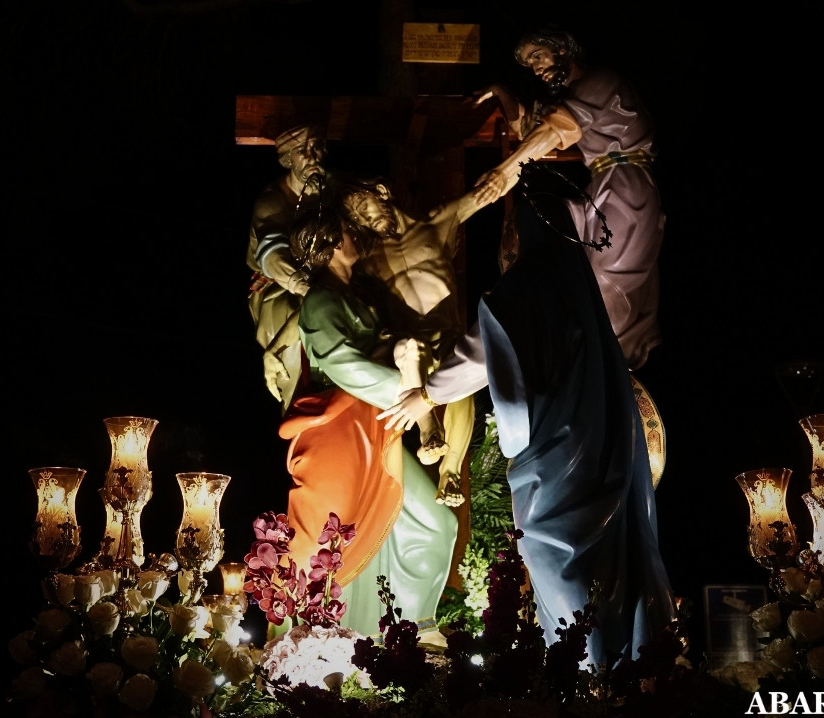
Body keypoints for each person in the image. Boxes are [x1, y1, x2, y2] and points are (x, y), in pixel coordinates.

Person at [377, 167, 677, 669]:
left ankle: (589, 675)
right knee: (597, 556)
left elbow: (479, 352)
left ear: (529, 226)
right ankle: (613, 666)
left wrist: (426, 395)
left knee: (555, 553)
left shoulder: (532, 282)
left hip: (559, 454)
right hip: (595, 445)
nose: (508, 239)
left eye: (513, 224)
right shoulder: (575, 283)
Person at [277, 203, 458, 645]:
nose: (356, 238)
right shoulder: (319, 300)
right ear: (334, 243)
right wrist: (405, 390)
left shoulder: (357, 297)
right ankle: (314, 645)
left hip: (378, 425)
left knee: (436, 521)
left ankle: (413, 629)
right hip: (340, 433)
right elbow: (341, 363)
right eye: (348, 233)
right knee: (329, 543)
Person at [473, 24, 665, 374]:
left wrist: (505, 173)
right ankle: (579, 356)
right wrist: (502, 92)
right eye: (530, 65)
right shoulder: (573, 96)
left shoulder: (600, 80)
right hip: (602, 187)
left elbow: (556, 129)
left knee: (611, 278)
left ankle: (608, 368)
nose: (536, 68)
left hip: (627, 187)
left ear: (562, 50)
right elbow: (531, 131)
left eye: (538, 57)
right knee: (561, 260)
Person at [338, 175, 488, 507]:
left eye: (364, 207)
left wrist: (531, 149)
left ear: (382, 191)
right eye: (357, 218)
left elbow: (487, 190)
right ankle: (427, 427)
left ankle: (449, 472)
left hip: (447, 336)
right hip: (408, 345)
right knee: (409, 350)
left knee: (461, 375)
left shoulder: (436, 225)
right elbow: (324, 276)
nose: (365, 219)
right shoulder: (366, 260)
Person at [246, 122, 329, 411]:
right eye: (302, 152)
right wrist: (305, 288)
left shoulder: (333, 191)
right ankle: (296, 393)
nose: (313, 156)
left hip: (328, 282)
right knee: (296, 316)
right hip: (279, 288)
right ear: (287, 159)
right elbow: (272, 256)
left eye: (317, 148)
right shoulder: (272, 201)